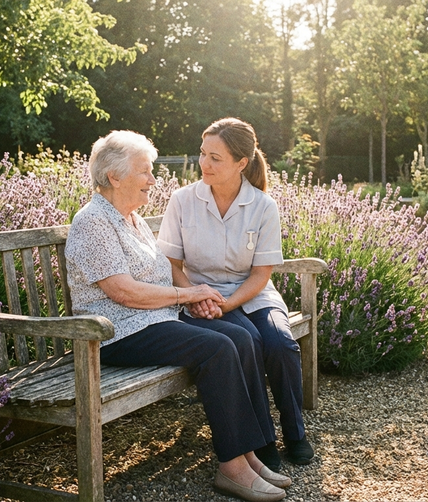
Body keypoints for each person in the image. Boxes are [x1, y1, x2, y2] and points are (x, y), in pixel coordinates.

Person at [64, 130, 291, 502]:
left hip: (153, 320)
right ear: (114, 177)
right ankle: (231, 469)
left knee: (240, 338)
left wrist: (192, 300)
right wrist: (188, 294)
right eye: (145, 172)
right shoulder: (93, 221)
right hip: (115, 332)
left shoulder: (130, 219)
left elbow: (160, 275)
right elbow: (124, 292)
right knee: (217, 348)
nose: (153, 180)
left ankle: (250, 454)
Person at [156, 118, 315, 471]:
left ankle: (295, 433)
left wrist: (226, 302)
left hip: (252, 294)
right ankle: (262, 442)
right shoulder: (183, 200)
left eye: (216, 158)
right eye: (202, 154)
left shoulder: (262, 206)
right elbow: (170, 263)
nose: (204, 164)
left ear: (241, 163)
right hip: (197, 297)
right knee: (247, 343)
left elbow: (261, 274)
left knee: (279, 343)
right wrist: (195, 296)